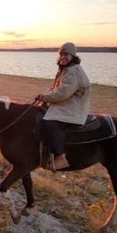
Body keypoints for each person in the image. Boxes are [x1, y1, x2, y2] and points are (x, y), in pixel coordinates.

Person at [36, 42, 90, 171]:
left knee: (50, 124)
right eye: (61, 54)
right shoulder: (66, 70)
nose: (63, 57)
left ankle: (60, 157)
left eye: (66, 54)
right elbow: (55, 88)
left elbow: (62, 93)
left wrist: (44, 97)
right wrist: (42, 95)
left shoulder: (74, 72)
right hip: (65, 105)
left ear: (73, 55)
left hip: (72, 109)